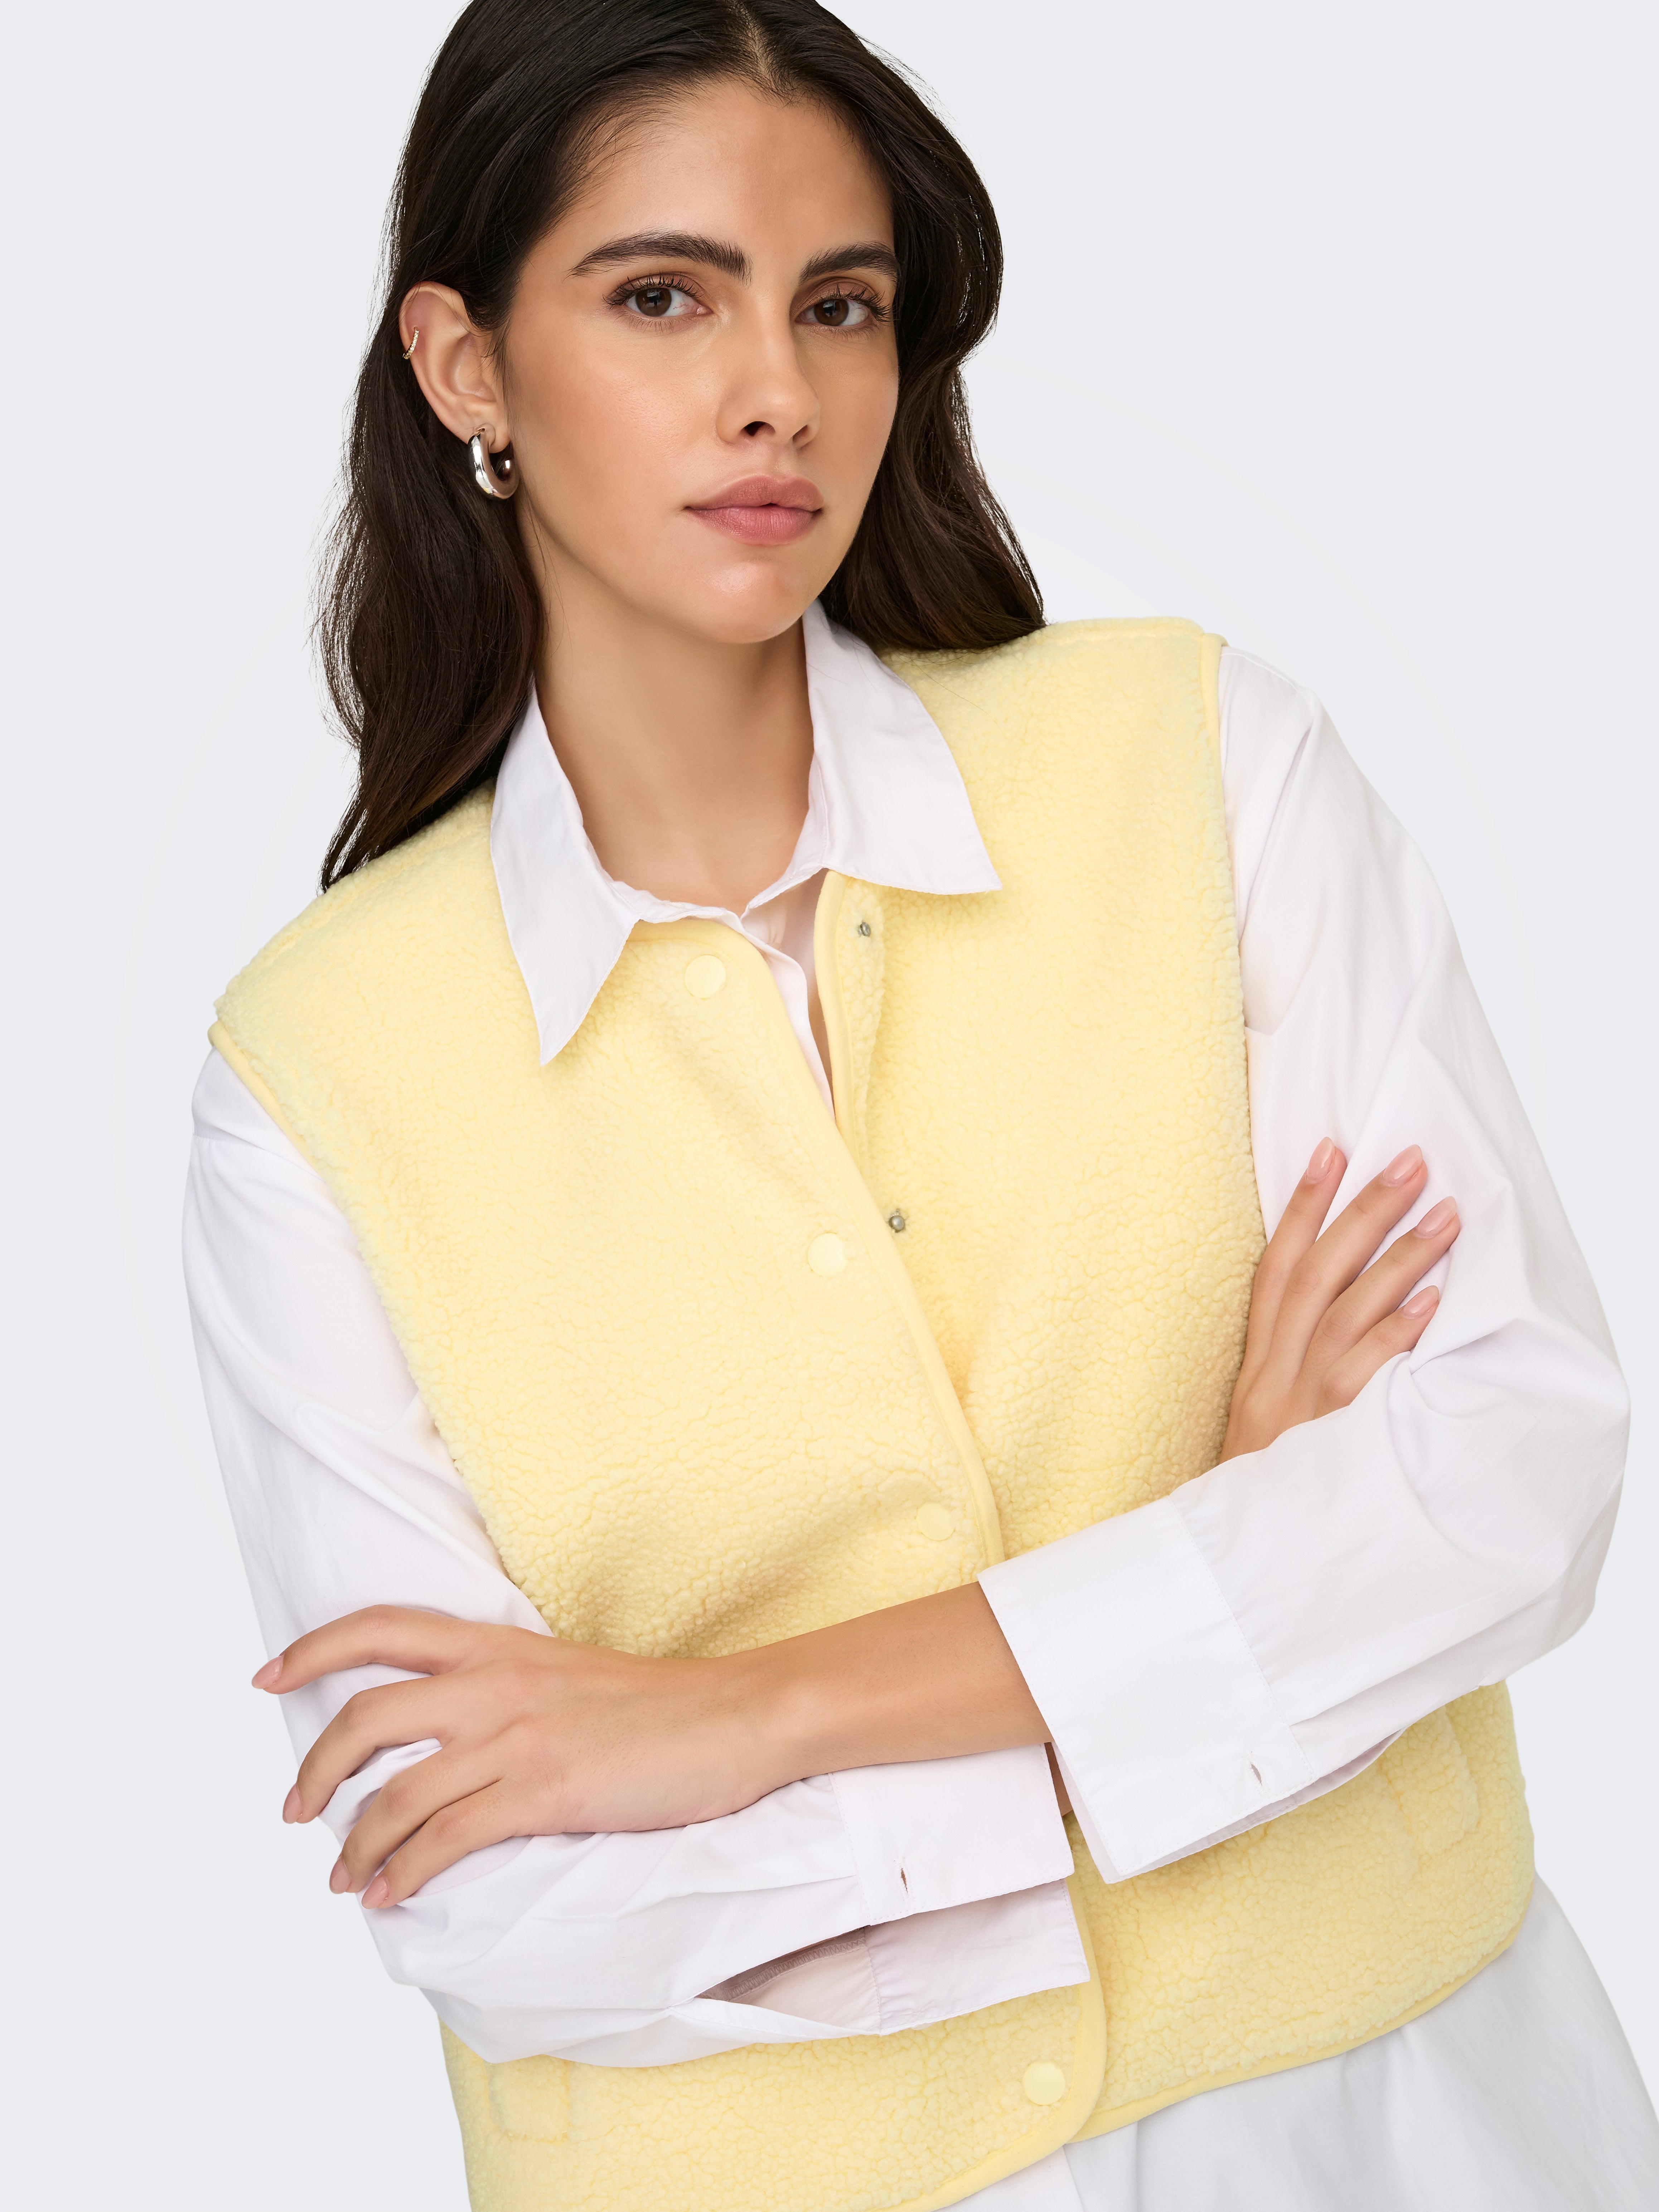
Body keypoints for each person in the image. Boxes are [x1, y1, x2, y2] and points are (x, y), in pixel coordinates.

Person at [184, 3, 1657, 2206]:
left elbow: (1506, 1468)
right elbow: (495, 1891)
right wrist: (1217, 1579)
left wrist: (732, 1719)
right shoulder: (313, 1078)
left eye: (841, 304)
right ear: (464, 365)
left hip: (1403, 2135)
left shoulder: (1201, 765)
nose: (775, 388)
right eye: (662, 296)